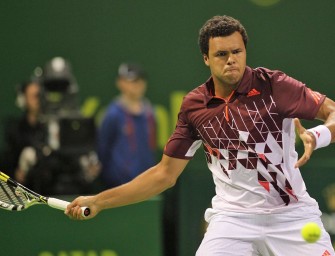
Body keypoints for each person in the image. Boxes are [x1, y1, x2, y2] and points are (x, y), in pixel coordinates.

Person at [66, 15, 335, 255]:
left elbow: (331, 112)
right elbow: (164, 174)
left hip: (292, 215)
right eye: (221, 54)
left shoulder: (274, 86)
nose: (231, 59)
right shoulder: (195, 106)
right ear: (206, 58)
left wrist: (319, 135)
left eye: (237, 51)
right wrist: (99, 201)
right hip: (232, 219)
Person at [97, 62, 157, 188]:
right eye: (132, 81)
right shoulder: (112, 115)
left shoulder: (150, 113)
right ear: (120, 83)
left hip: (147, 185)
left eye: (140, 80)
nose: (137, 85)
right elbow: (102, 150)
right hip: (119, 186)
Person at [2, 80, 46, 184]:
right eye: (34, 96)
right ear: (23, 99)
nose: (38, 100)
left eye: (40, 96)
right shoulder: (15, 130)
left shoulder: (50, 128)